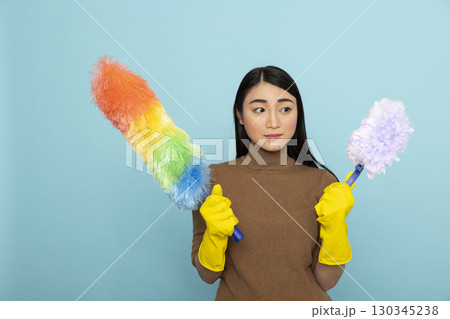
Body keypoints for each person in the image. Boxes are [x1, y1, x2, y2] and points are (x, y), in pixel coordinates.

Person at [191, 66, 355, 301]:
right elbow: (207, 275)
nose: (274, 122)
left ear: (298, 114)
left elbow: (326, 281)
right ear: (239, 114)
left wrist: (336, 228)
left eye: (285, 109)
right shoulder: (211, 181)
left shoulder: (325, 184)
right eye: (259, 109)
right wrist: (214, 236)